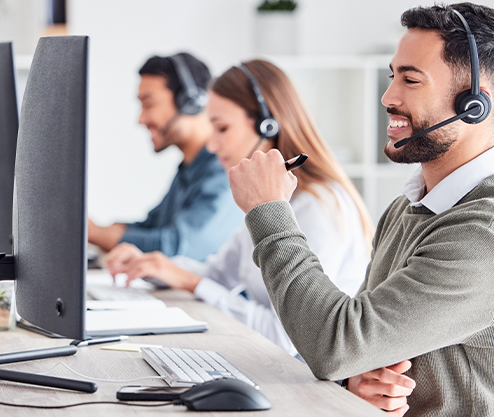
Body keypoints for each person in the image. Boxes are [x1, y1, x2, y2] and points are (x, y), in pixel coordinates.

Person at [226, 3, 494, 417]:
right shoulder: (410, 207)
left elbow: (335, 344)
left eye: (410, 80)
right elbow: (355, 348)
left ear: (475, 104)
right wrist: (355, 380)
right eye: (391, 76)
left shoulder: (487, 236)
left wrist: (269, 210)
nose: (388, 97)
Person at [105, 59, 375, 357]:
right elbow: (217, 274)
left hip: (305, 377)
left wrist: (191, 282)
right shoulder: (265, 198)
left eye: (222, 128)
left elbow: (286, 337)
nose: (211, 145)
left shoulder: (317, 206)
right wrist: (152, 266)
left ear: (267, 124)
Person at [88, 53, 243, 261]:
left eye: (149, 104)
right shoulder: (190, 169)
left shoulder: (223, 170)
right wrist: (97, 228)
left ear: (189, 101)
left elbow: (176, 247)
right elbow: (152, 226)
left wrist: (94, 233)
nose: (141, 119)